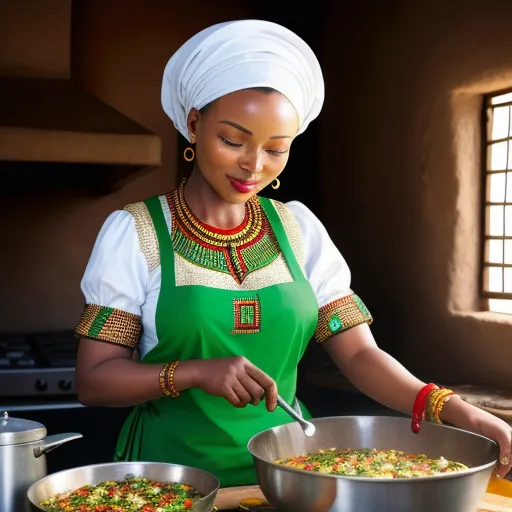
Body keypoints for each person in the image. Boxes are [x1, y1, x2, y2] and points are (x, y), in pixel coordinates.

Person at [75, 19, 511, 488]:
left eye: (275, 149)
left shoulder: (298, 228)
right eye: (232, 140)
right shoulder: (135, 232)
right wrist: (195, 372)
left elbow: (360, 355)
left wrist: (454, 409)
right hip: (169, 481)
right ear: (194, 124)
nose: (253, 165)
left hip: (288, 476)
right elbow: (94, 380)